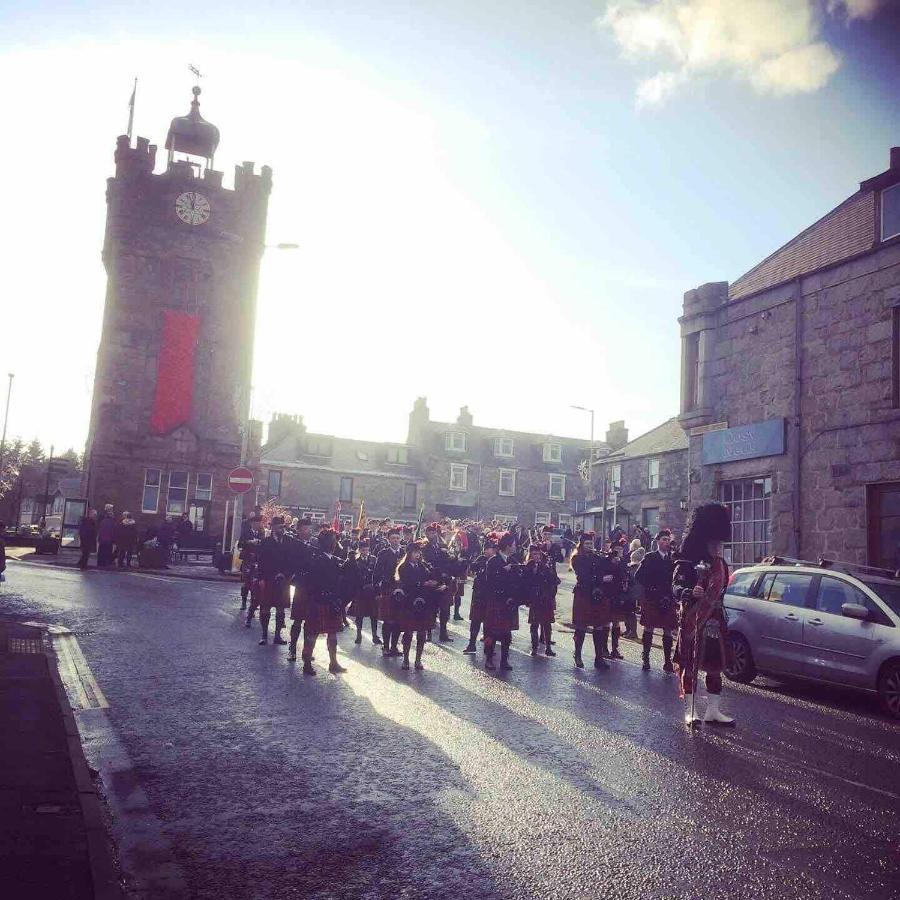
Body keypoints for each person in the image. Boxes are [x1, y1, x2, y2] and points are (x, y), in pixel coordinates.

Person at [672, 503, 735, 727]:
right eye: (714, 542)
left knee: (715, 667)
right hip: (693, 619)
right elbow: (675, 588)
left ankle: (713, 711)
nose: (718, 546)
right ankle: (691, 711)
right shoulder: (687, 562)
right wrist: (690, 591)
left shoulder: (721, 565)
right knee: (690, 666)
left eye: (719, 543)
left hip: (715, 622)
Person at [301, 529, 349, 675]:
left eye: (335, 540)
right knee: (312, 634)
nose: (334, 543)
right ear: (326, 543)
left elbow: (339, 582)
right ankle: (307, 663)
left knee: (333, 634)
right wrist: (320, 594)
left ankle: (333, 663)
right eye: (333, 541)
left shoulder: (334, 560)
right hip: (318, 601)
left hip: (332, 602)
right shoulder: (316, 560)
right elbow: (310, 583)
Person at [396, 539, 442, 670]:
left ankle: (418, 660)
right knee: (408, 632)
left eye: (419, 552)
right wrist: (423, 584)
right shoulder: (403, 567)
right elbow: (407, 583)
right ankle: (405, 660)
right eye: (415, 552)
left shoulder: (422, 566)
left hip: (422, 602)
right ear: (409, 553)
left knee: (422, 632)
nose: (418, 555)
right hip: (409, 602)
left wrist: (434, 581)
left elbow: (429, 576)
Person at [635, 529, 677, 673]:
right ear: (658, 542)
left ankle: (667, 662)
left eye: (668, 540)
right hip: (652, 597)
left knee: (668, 630)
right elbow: (638, 576)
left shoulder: (673, 559)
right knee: (649, 628)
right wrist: (651, 587)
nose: (666, 542)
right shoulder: (650, 557)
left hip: (668, 598)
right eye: (663, 540)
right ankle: (646, 658)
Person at [570, 532, 611, 670]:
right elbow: (584, 576)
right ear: (581, 545)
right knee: (581, 626)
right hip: (583, 594)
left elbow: (605, 569)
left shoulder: (597, 557)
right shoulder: (577, 558)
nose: (589, 546)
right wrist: (600, 579)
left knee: (598, 626)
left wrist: (610, 557)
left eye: (591, 543)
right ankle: (577, 655)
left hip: (596, 596)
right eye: (587, 544)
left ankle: (599, 658)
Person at [482, 532, 523, 671]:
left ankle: (504, 661)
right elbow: (489, 582)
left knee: (507, 633)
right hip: (496, 601)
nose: (515, 547)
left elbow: (517, 582)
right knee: (492, 631)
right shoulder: (493, 561)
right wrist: (503, 571)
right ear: (507, 546)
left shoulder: (513, 561)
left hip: (508, 603)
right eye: (513, 544)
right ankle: (489, 660)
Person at [256, 516, 293, 646]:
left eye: (282, 526)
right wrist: (261, 578)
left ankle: (277, 636)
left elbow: (291, 561)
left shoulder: (288, 542)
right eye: (278, 527)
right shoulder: (265, 542)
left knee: (281, 609)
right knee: (265, 608)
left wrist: (286, 574)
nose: (281, 529)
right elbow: (261, 562)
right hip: (268, 578)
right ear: (272, 527)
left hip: (283, 580)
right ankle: (264, 635)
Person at [462, 533, 498, 654]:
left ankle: (489, 649)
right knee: (475, 621)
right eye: (486, 549)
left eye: (489, 549)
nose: (486, 551)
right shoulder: (482, 559)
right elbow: (472, 567)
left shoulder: (497, 561)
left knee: (489, 624)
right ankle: (472, 644)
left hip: (490, 596)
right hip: (478, 595)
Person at [287, 518, 316, 662]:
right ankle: (292, 649)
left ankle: (307, 651)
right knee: (298, 620)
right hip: (301, 586)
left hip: (312, 586)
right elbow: (290, 563)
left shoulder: (315, 543)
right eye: (305, 528)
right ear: (299, 530)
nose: (309, 531)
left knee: (310, 622)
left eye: (310, 528)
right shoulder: (293, 544)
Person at [526, 542, 559, 656]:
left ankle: (548, 647)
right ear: (531, 555)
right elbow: (525, 582)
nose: (537, 556)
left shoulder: (545, 566)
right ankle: (534, 647)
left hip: (545, 598)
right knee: (534, 624)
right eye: (534, 554)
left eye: (538, 554)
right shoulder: (528, 566)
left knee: (547, 624)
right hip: (535, 599)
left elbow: (554, 580)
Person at [375, 528, 404, 658]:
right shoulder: (383, 553)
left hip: (401, 590)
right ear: (388, 539)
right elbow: (377, 573)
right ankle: (385, 646)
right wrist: (377, 590)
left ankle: (394, 646)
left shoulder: (404, 553)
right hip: (387, 589)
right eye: (393, 538)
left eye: (397, 538)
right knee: (388, 620)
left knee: (398, 620)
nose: (396, 540)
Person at [347, 539, 381, 645]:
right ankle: (358, 635)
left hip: (372, 591)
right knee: (359, 615)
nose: (365, 552)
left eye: (366, 550)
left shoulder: (374, 559)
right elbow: (352, 577)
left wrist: (375, 587)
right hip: (360, 591)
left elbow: (378, 574)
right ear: (359, 550)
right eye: (363, 550)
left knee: (374, 615)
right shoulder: (355, 561)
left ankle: (375, 636)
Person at [238, 514, 264, 612]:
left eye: (259, 523)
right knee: (246, 582)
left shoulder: (261, 533)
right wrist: (249, 542)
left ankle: (253, 605)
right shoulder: (246, 532)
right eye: (256, 523)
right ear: (252, 524)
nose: (258, 525)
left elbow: (264, 545)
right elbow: (240, 544)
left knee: (255, 584)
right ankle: (243, 602)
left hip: (257, 561)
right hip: (247, 560)